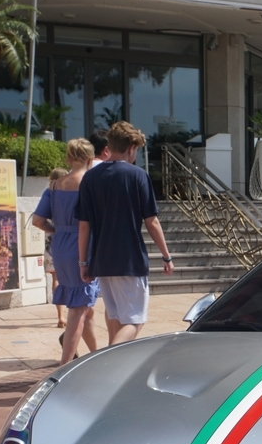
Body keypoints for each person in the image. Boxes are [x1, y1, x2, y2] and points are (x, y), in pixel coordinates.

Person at [76, 121, 174, 346]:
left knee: (115, 316)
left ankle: (113, 367)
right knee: (135, 321)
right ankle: (108, 359)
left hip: (102, 260)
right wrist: (166, 256)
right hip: (130, 260)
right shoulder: (137, 175)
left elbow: (84, 225)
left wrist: (83, 262)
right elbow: (152, 222)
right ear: (131, 148)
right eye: (136, 151)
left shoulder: (90, 178)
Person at [33, 141, 99, 365]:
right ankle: (64, 366)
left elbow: (38, 220)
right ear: (90, 159)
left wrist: (59, 230)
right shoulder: (89, 184)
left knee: (85, 309)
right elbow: (88, 223)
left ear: (68, 158)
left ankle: (97, 355)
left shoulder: (53, 187)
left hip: (60, 245)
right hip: (82, 247)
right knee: (78, 310)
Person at [44, 167, 69, 328]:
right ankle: (70, 311)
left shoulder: (47, 195)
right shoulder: (65, 195)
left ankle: (60, 315)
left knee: (56, 279)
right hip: (66, 239)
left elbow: (40, 219)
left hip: (49, 241)